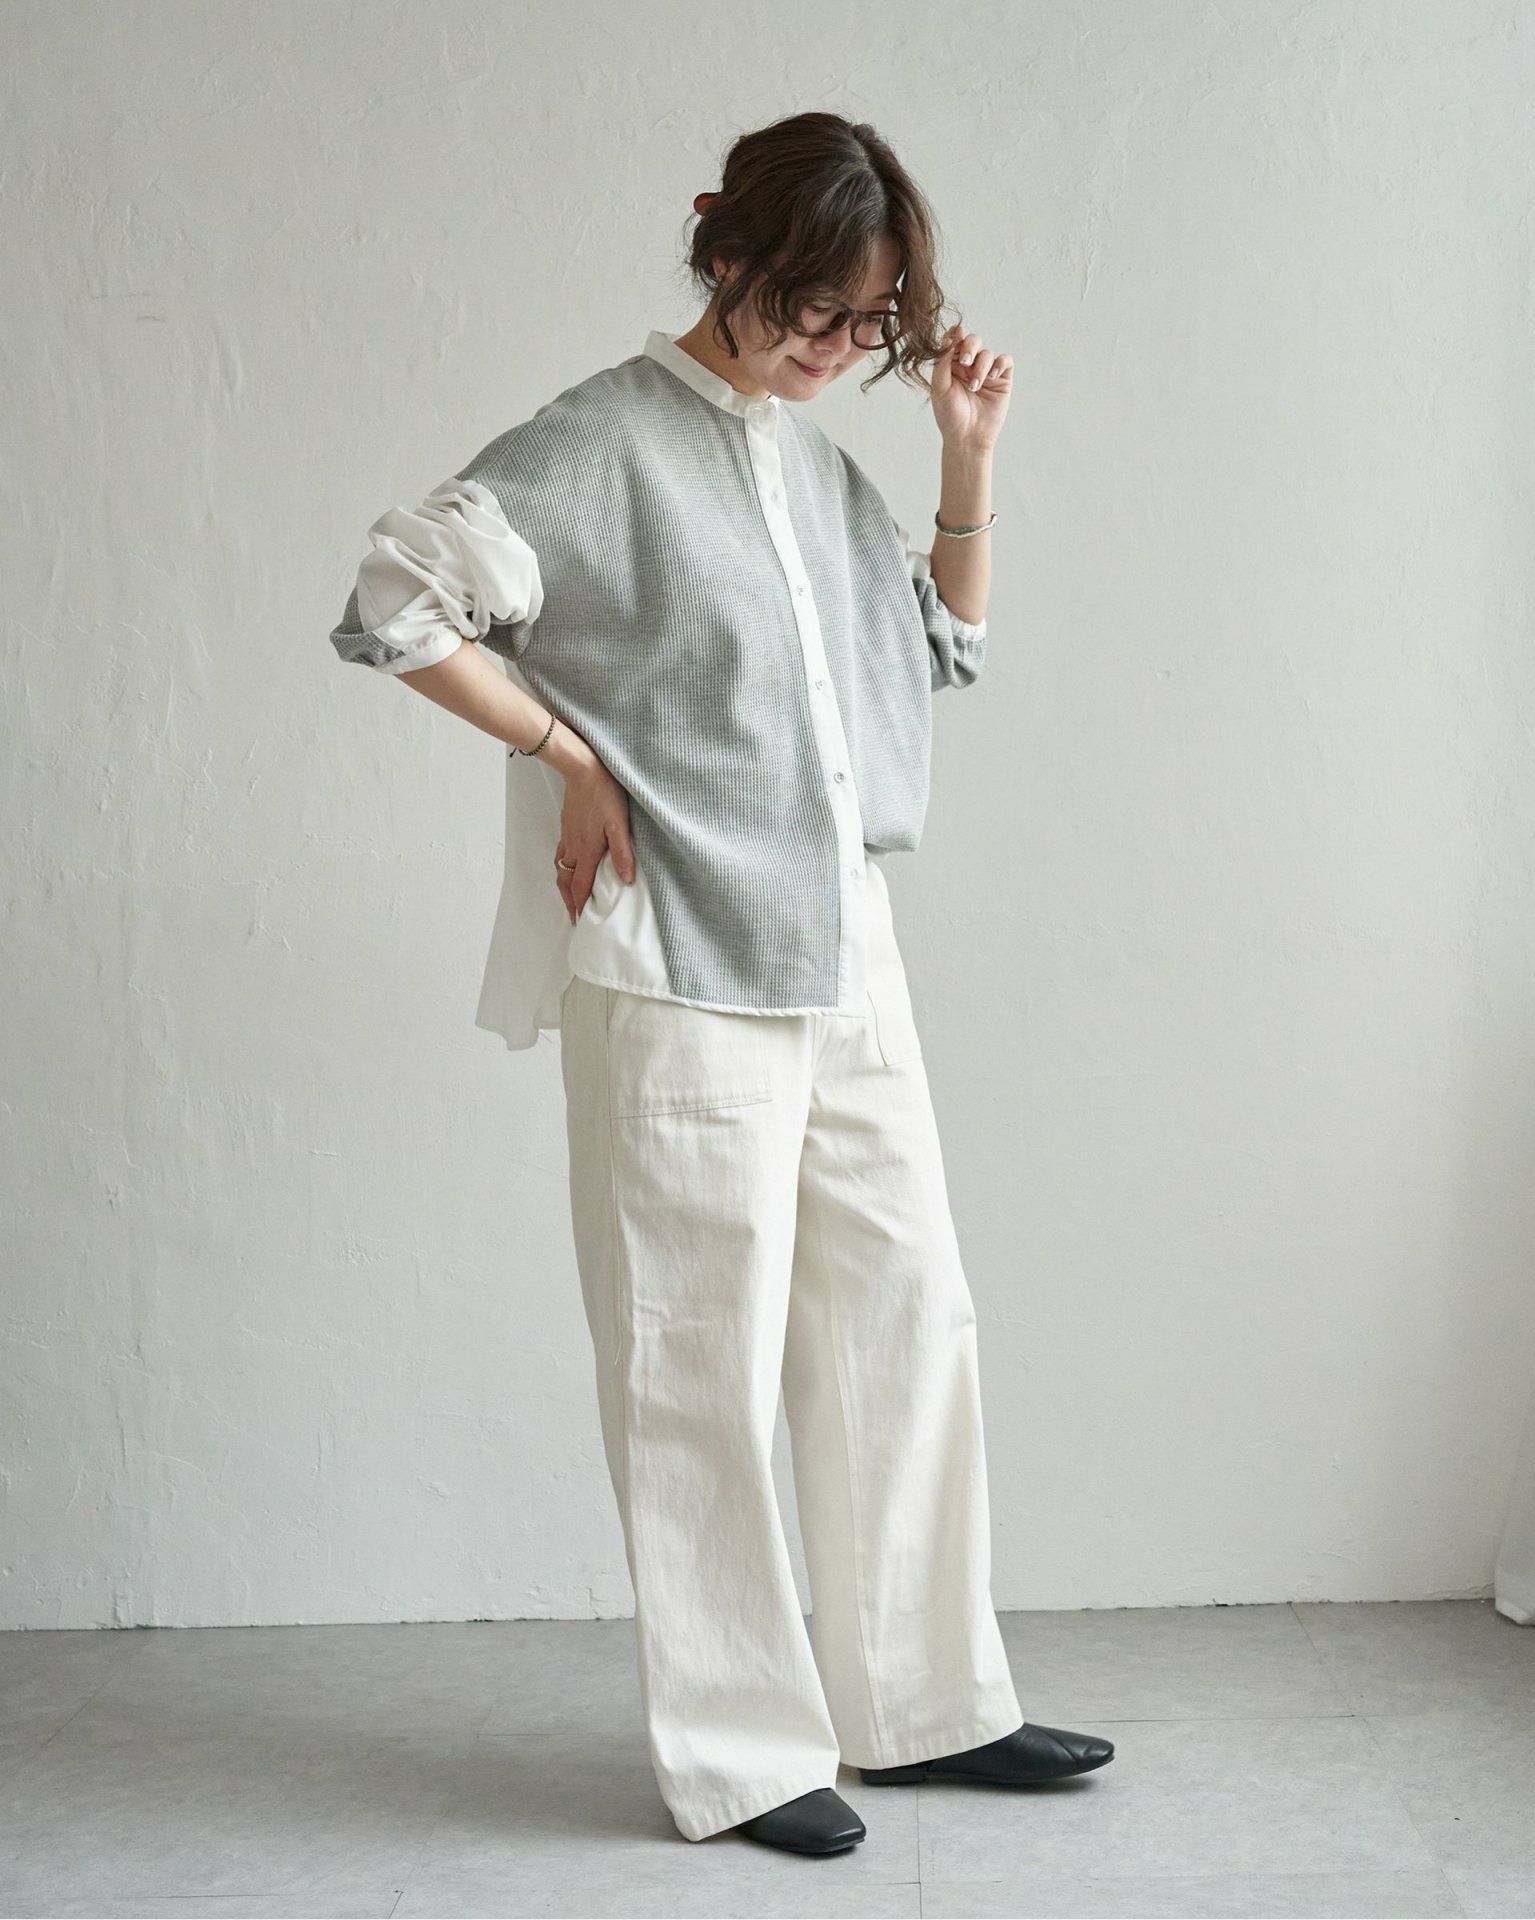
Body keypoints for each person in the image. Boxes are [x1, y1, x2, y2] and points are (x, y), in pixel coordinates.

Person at [328, 110, 1114, 1856]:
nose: (837, 347)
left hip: (842, 954)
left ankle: (924, 1708)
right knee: (697, 1361)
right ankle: (747, 1753)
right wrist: (565, 754)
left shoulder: (812, 466)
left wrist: (965, 461)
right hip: (679, 964)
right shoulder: (599, 440)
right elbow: (398, 595)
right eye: (814, 309)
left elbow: (940, 651)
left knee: (907, 1318)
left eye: (869, 323)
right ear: (727, 251)